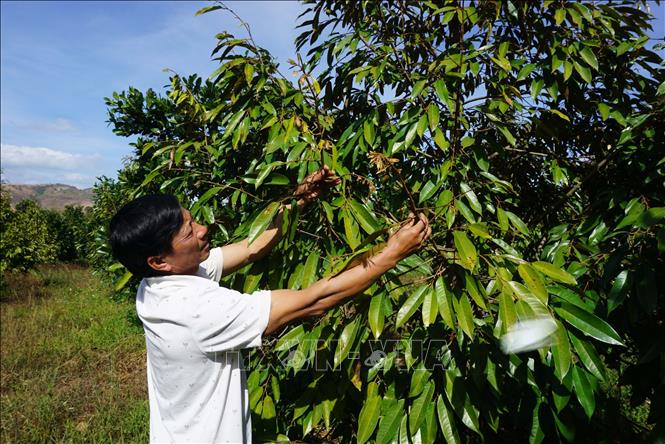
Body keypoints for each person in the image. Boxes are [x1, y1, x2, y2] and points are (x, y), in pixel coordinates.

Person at [109, 166, 431, 443]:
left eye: (193, 221)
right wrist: (391, 254)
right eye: (189, 232)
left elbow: (250, 248)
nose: (204, 230)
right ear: (159, 260)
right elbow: (315, 300)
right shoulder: (199, 310)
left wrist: (299, 200)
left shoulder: (154, 286)